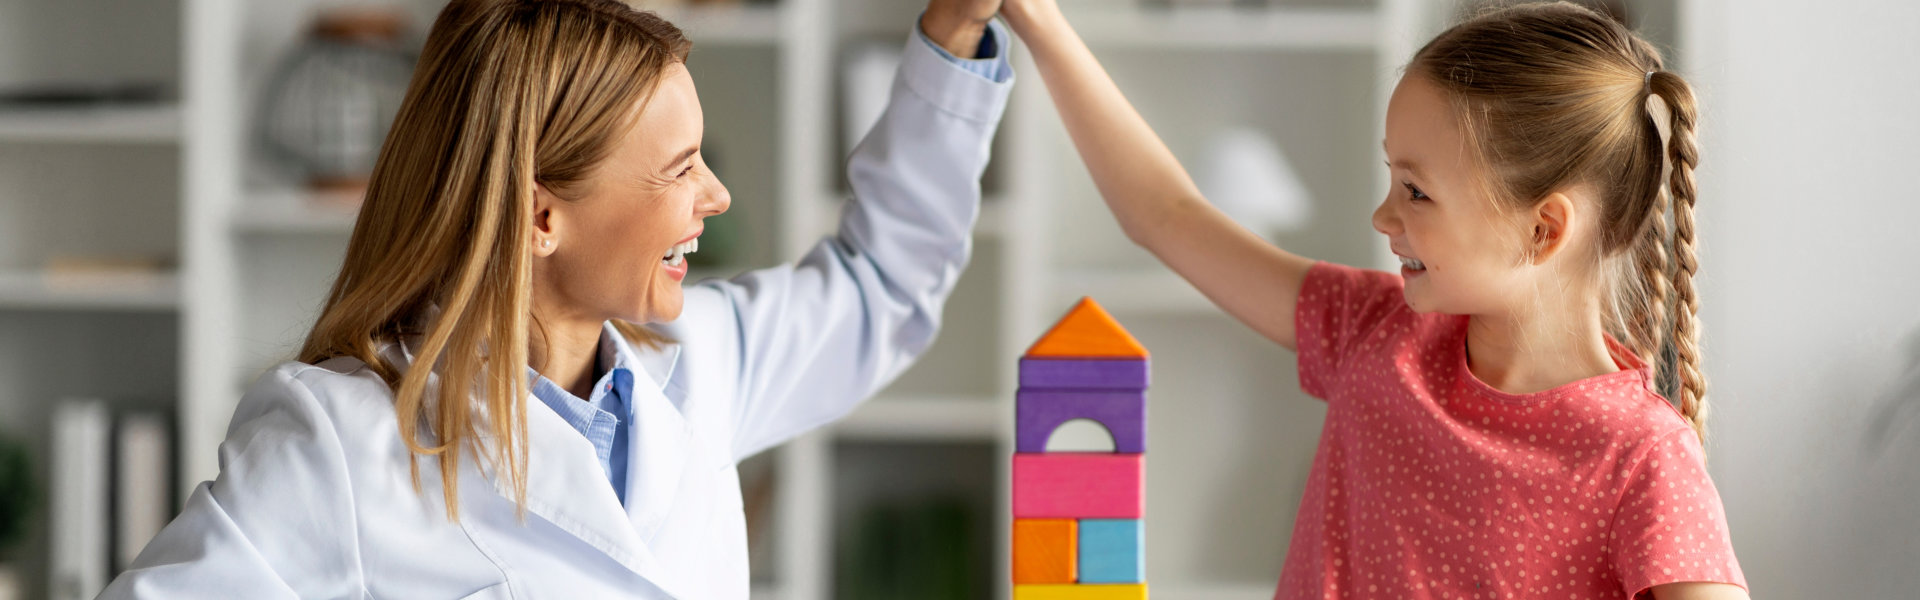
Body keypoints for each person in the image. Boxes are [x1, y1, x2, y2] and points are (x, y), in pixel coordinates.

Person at [101, 0, 1010, 597]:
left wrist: (953, 38)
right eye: (682, 169)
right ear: (541, 215)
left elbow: (882, 283)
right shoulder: (340, 440)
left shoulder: (701, 366)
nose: (717, 198)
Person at [998, 0, 1748, 597]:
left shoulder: (1641, 456)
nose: (1384, 218)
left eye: (1417, 192)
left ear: (1543, 229)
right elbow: (1167, 217)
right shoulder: (1373, 330)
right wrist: (1038, 18)